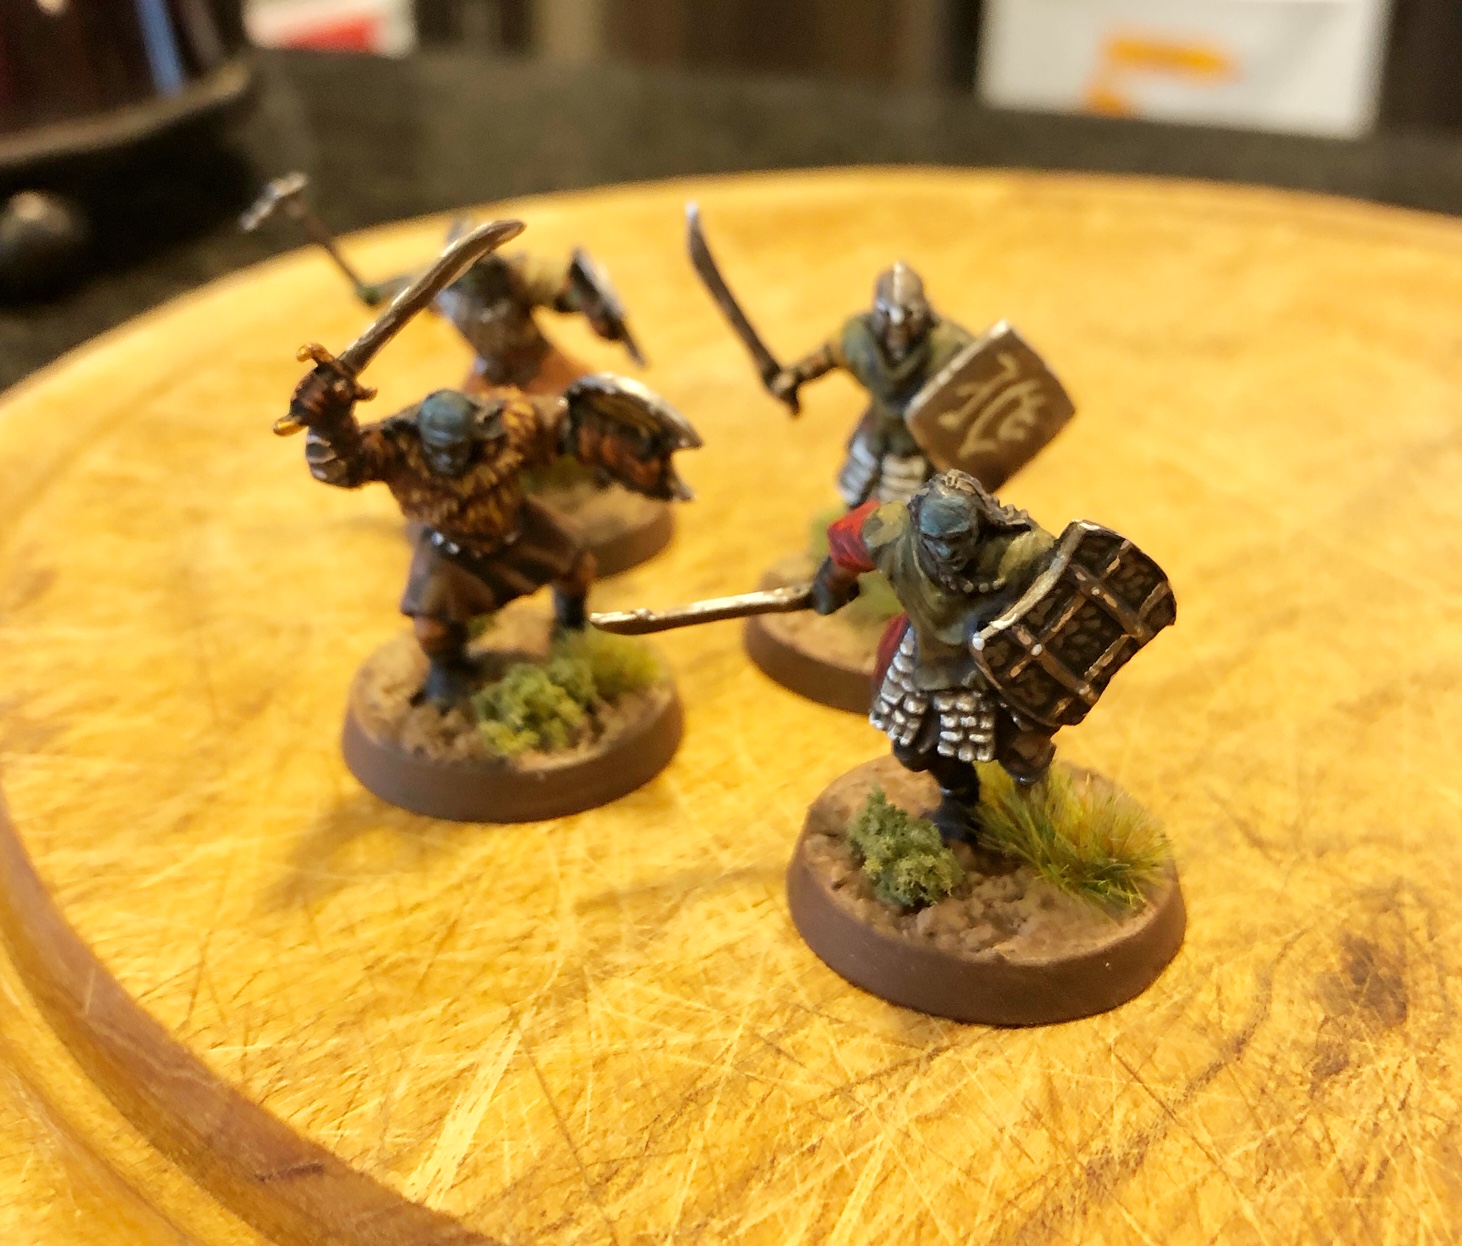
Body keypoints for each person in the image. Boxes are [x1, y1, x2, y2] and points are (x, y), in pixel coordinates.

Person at [289, 366, 697, 707]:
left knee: (577, 567)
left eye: (464, 447)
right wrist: (331, 422)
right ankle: (449, 674)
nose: (455, 459)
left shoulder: (510, 424)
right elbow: (340, 465)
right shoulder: (395, 450)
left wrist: (621, 443)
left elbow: (563, 423)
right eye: (444, 450)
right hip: (452, 550)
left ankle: (572, 627)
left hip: (519, 526)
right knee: (432, 628)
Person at [810, 469, 1059, 833]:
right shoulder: (893, 533)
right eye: (934, 539)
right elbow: (847, 543)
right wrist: (830, 585)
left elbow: (1064, 586)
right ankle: (960, 800)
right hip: (927, 659)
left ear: (981, 525)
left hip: (995, 672)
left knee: (1023, 751)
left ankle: (1040, 822)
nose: (946, 552)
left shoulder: (1022, 552)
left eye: (958, 539)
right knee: (914, 749)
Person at [770, 263, 975, 507]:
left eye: (909, 315)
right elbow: (824, 356)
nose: (898, 328)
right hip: (875, 432)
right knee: (856, 494)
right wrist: (795, 377)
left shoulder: (950, 344)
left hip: (916, 445)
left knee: (904, 510)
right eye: (888, 316)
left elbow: (987, 376)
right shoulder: (857, 338)